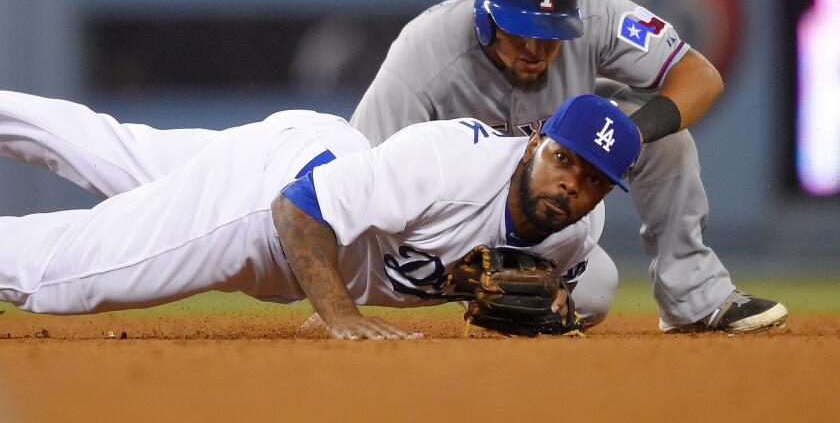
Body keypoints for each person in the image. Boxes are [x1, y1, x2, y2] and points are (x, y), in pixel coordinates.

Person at [350, 0, 787, 334]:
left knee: (598, 286)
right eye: (521, 31)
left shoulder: (595, 13)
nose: (536, 49)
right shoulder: (423, 53)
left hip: (543, 202)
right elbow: (357, 174)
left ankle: (694, 298)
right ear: (485, 17)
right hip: (458, 219)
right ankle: (476, 291)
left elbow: (700, 77)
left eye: (551, 33)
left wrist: (627, 136)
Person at [0, 91, 639, 339]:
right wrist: (339, 316)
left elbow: (589, 285)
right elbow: (297, 207)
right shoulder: (450, 166)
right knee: (72, 274)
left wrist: (561, 308)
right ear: (535, 141)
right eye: (564, 159)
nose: (571, 184)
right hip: (270, 204)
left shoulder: (580, 232)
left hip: (321, 154)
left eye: (593, 179)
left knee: (109, 148)